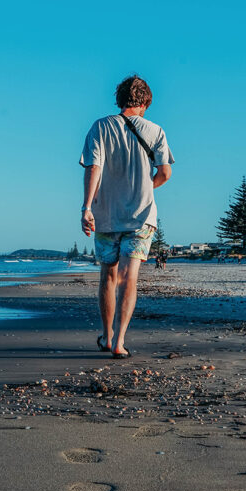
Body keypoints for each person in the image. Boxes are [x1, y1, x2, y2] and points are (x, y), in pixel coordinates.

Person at [79, 75, 174, 358]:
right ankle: (119, 343)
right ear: (145, 102)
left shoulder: (100, 126)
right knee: (129, 277)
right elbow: (165, 173)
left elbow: (92, 167)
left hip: (106, 213)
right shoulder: (156, 131)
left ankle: (106, 337)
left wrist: (86, 207)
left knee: (107, 275)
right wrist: (146, 186)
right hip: (142, 215)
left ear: (119, 99)